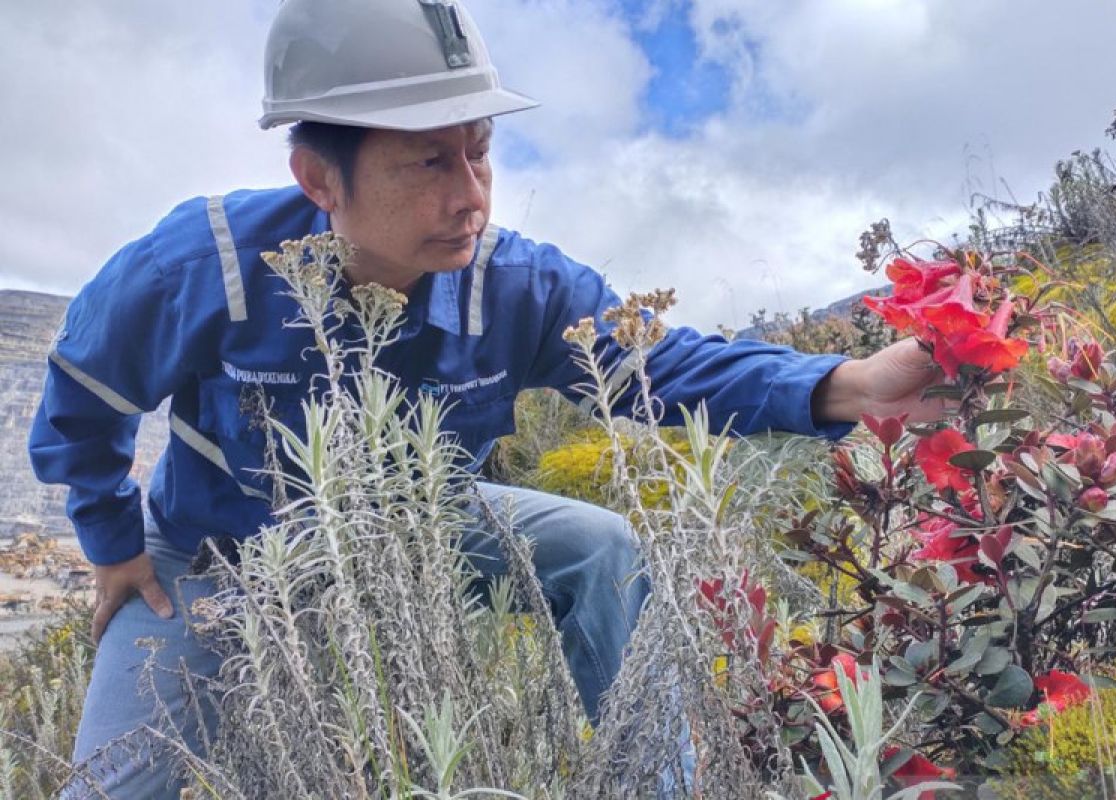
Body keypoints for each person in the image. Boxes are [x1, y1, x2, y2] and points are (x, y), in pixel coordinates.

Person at [29, 1, 947, 797]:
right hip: (220, 554)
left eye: (480, 153)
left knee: (602, 550)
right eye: (429, 164)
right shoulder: (206, 264)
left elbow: (662, 364)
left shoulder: (512, 282)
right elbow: (82, 391)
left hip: (416, 521)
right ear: (319, 179)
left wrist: (847, 385)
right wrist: (112, 543)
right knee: (112, 783)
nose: (471, 196)